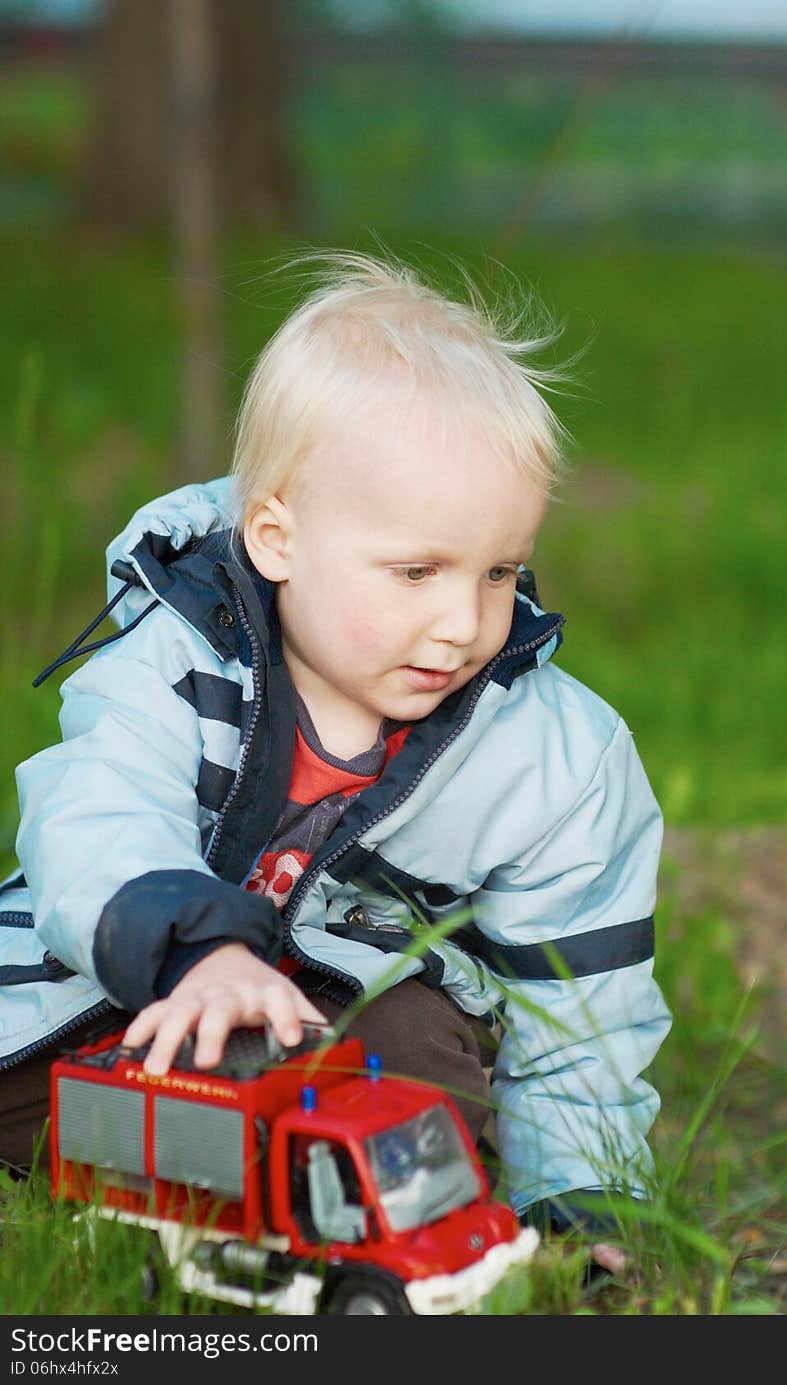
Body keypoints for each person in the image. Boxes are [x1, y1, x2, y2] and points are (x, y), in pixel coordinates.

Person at [0, 249, 671, 1279]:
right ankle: (131, 1178)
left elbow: (580, 1002)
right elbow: (91, 820)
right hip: (132, 974)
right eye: (416, 571)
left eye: (499, 570)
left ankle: (369, 1222)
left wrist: (580, 1201)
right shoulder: (175, 661)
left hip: (345, 1015)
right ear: (277, 537)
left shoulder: (557, 759)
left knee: (421, 1058)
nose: (463, 621)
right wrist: (193, 950)